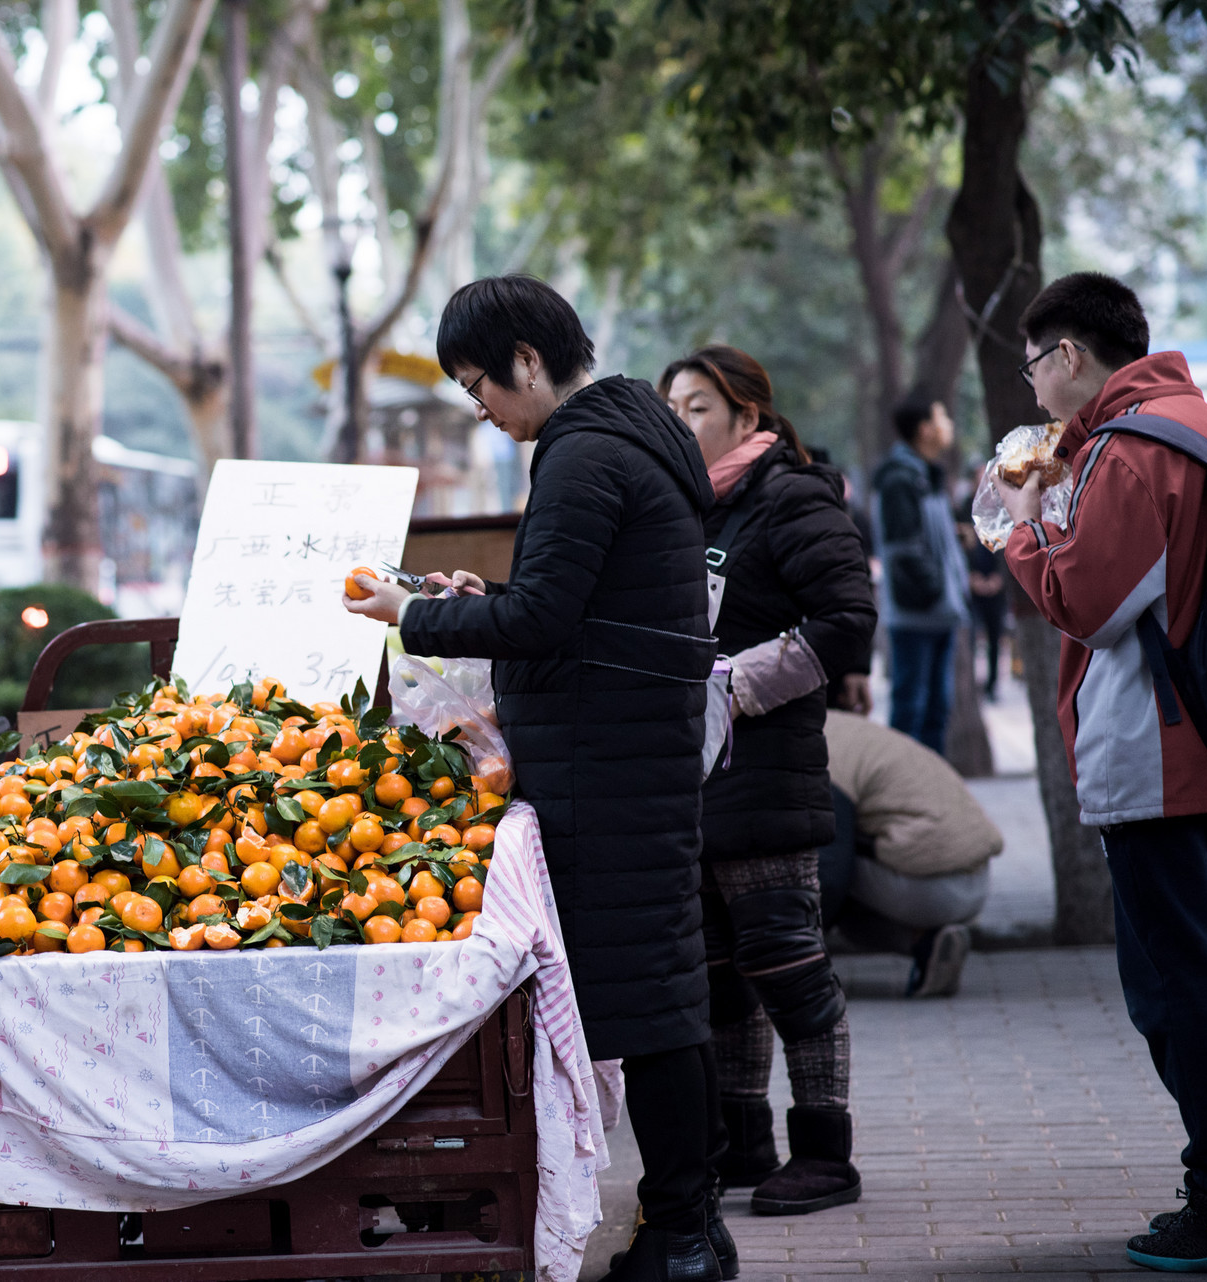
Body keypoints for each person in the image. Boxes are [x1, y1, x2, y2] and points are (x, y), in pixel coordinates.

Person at [344, 276, 727, 1282]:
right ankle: (691, 1228)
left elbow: (546, 621)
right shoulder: (631, 435)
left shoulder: (583, 452)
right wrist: (488, 596)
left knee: (648, 1005)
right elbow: (573, 603)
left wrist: (406, 610)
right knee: (663, 991)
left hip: (608, 764)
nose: (484, 409)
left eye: (482, 385)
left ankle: (683, 1236)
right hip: (632, 747)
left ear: (526, 358)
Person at [997, 271, 1207, 1277]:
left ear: (1070, 355)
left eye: (1034, 365)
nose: (1031, 390)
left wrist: (1019, 523)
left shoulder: (1129, 450)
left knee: (1176, 991)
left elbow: (1085, 599)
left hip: (1162, 762)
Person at [661, 347, 877, 1216]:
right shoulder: (686, 511)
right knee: (720, 975)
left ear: (749, 417)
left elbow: (849, 621)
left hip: (768, 774)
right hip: (698, 780)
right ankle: (743, 1142)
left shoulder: (789, 497)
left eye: (699, 407)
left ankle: (826, 1153)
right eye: (671, 408)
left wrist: (736, 688)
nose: (682, 423)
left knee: (789, 970)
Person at [820, 706, 1003, 997]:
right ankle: (929, 944)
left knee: (822, 864)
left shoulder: (820, 754)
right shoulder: (847, 729)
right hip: (977, 880)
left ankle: (919, 941)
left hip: (932, 885)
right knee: (846, 908)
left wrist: (788, 959)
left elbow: (830, 877)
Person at [873, 397, 969, 752]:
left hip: (936, 612)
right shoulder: (901, 477)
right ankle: (904, 798)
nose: (947, 423)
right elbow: (903, 549)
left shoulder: (923, 472)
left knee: (934, 711)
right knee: (912, 710)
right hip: (917, 614)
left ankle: (931, 798)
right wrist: (936, 589)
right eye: (941, 416)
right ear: (925, 429)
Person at [962, 469, 1011, 701]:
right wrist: (970, 577)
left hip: (995, 584)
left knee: (995, 637)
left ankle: (992, 684)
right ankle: (971, 685)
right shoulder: (962, 508)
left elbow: (1009, 544)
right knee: (970, 636)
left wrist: (999, 577)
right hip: (971, 584)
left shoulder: (1001, 507)